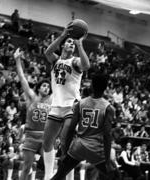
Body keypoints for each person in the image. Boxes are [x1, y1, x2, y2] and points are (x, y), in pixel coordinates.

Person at [43, 22, 90, 180]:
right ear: (63, 45)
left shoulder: (75, 61)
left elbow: (86, 65)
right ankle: (49, 175)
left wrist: (80, 44)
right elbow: (47, 52)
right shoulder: (55, 60)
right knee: (47, 143)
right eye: (68, 42)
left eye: (73, 43)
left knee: (65, 145)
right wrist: (63, 35)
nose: (71, 44)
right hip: (56, 106)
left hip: (72, 107)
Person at [50, 73, 114, 180]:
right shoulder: (108, 108)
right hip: (95, 148)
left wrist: (65, 153)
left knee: (59, 175)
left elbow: (70, 130)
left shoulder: (80, 104)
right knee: (114, 175)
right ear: (105, 88)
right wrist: (107, 161)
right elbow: (107, 135)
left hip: (78, 146)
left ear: (92, 86)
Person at [14, 48, 52, 180]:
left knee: (51, 165)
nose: (46, 88)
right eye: (44, 86)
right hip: (30, 136)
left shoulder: (52, 100)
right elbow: (22, 79)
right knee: (26, 167)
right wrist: (17, 60)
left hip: (45, 137)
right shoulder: (32, 97)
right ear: (39, 87)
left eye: (48, 87)